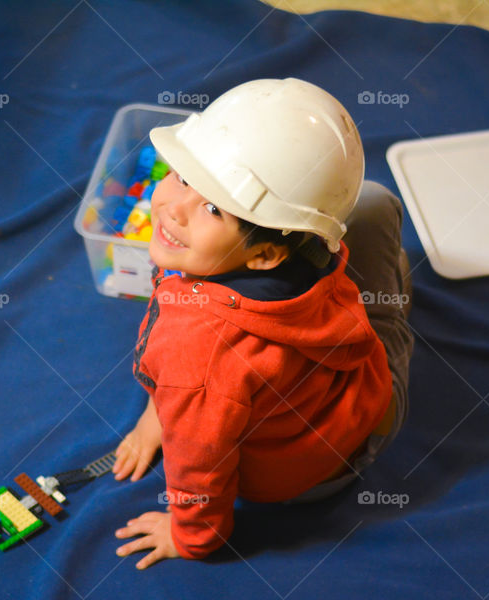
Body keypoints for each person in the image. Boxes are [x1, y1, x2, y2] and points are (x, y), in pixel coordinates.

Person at [110, 78, 414, 569]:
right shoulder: (302, 243)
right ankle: (392, 272)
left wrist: (191, 537)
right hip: (341, 387)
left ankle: (399, 280)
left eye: (212, 208)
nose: (172, 208)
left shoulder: (197, 353)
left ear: (266, 254)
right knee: (373, 203)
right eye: (184, 177)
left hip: (341, 454)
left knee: (388, 278)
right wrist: (158, 417)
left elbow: (198, 469)